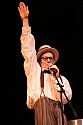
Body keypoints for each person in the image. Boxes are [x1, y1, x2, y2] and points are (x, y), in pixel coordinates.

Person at [18, 2, 72, 125]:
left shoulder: (61, 78)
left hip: (59, 111)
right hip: (42, 108)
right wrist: (25, 21)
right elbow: (28, 49)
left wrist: (56, 78)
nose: (48, 61)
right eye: (45, 58)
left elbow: (65, 99)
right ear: (39, 59)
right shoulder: (34, 71)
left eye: (50, 58)